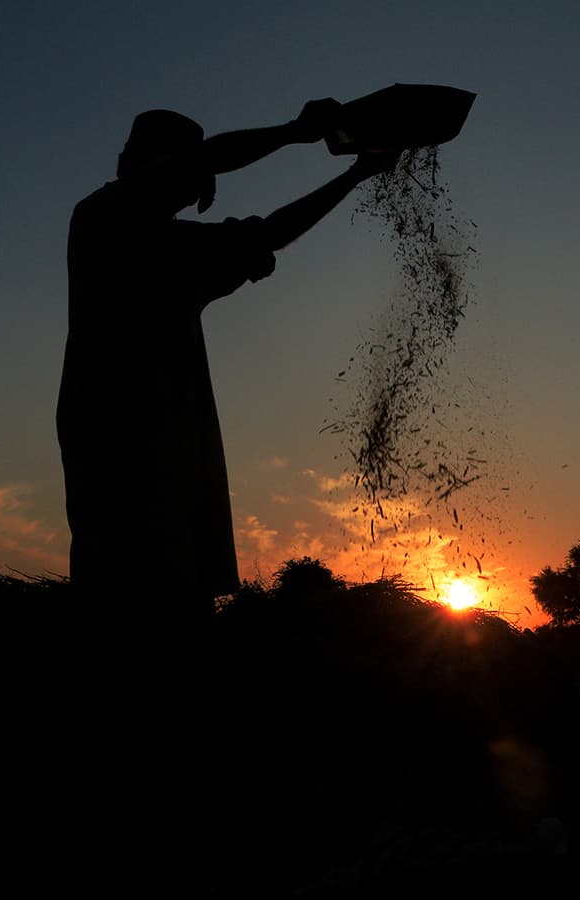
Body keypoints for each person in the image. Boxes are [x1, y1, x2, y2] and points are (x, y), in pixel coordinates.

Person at [57, 100, 396, 878]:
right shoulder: (102, 221)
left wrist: (355, 175)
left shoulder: (180, 253)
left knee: (172, 642)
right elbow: (215, 170)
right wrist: (298, 130)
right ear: (152, 168)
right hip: (118, 463)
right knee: (121, 636)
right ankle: (116, 827)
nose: (191, 180)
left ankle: (160, 820)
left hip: (174, 471)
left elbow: (268, 234)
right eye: (184, 167)